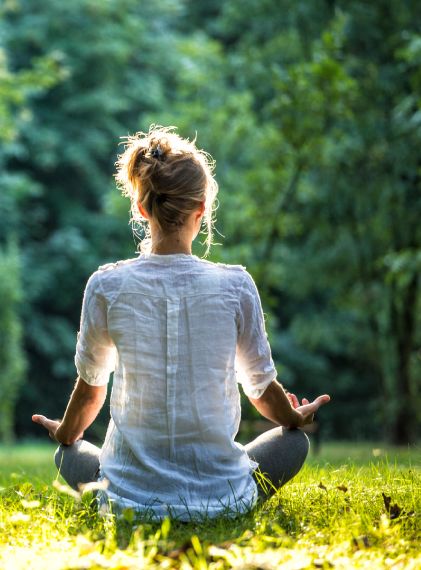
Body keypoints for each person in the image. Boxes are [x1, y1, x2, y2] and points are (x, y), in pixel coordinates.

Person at [32, 126, 330, 521]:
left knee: (66, 453)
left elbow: (90, 392)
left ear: (141, 208)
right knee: (294, 445)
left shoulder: (106, 285)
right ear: (201, 209)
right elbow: (260, 390)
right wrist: (294, 418)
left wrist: (66, 433)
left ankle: (123, 491)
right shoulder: (235, 285)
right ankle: (226, 500)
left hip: (128, 502)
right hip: (221, 497)